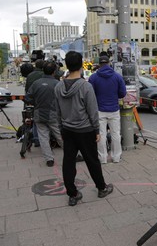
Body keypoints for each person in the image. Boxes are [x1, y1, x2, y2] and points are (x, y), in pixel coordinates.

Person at [54, 51, 113, 206]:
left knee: (68, 162)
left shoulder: (58, 87)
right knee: (92, 160)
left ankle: (72, 194)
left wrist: (61, 128)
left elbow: (57, 111)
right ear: (81, 65)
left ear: (67, 64)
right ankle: (101, 188)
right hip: (85, 130)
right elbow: (92, 111)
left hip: (67, 129)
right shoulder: (86, 86)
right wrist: (96, 130)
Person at [89, 54, 127, 164]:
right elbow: (122, 93)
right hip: (114, 109)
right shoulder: (117, 76)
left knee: (101, 135)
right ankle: (116, 157)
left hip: (99, 110)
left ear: (99, 64)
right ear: (109, 63)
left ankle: (102, 158)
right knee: (115, 134)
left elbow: (91, 95)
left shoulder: (93, 77)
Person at [26, 61, 63, 167]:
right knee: (60, 136)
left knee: (43, 137)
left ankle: (49, 159)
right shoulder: (58, 84)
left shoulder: (36, 83)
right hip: (54, 114)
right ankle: (72, 154)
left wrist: (36, 102)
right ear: (54, 72)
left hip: (39, 113)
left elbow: (28, 97)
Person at [24, 58, 45, 147]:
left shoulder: (30, 75)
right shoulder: (44, 75)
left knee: (34, 120)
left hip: (32, 101)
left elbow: (27, 89)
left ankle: (36, 139)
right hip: (43, 100)